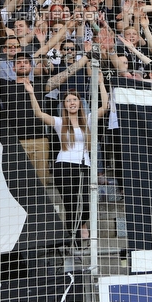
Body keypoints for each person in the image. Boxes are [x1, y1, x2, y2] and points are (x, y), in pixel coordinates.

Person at [25, 75, 109, 241]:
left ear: (79, 103)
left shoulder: (89, 119)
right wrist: (31, 93)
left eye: (74, 100)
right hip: (64, 166)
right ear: (64, 104)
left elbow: (105, 106)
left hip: (84, 166)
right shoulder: (59, 122)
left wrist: (101, 83)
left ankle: (80, 228)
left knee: (86, 203)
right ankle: (74, 239)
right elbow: (39, 113)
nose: (72, 102)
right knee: (70, 205)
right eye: (68, 100)